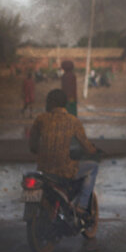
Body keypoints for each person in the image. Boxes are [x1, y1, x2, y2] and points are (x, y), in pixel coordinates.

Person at [29, 89, 100, 217]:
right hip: (64, 171)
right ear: (64, 104)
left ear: (50, 104)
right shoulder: (73, 121)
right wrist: (94, 150)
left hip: (44, 171)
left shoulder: (40, 119)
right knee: (93, 167)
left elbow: (32, 146)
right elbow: (87, 147)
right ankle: (81, 207)